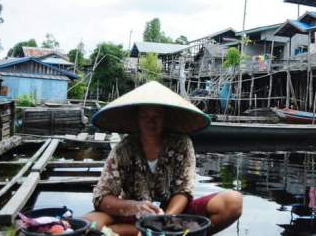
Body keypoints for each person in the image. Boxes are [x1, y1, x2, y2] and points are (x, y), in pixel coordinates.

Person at [84, 81, 243, 236]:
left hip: (174, 216)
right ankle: (141, 231)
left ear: (165, 118)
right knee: (88, 222)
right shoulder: (124, 149)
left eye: (157, 115)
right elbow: (101, 198)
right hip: (135, 214)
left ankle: (152, 233)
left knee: (233, 201)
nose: (150, 121)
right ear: (137, 119)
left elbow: (183, 190)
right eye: (144, 115)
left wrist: (164, 219)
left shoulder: (181, 144)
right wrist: (134, 206)